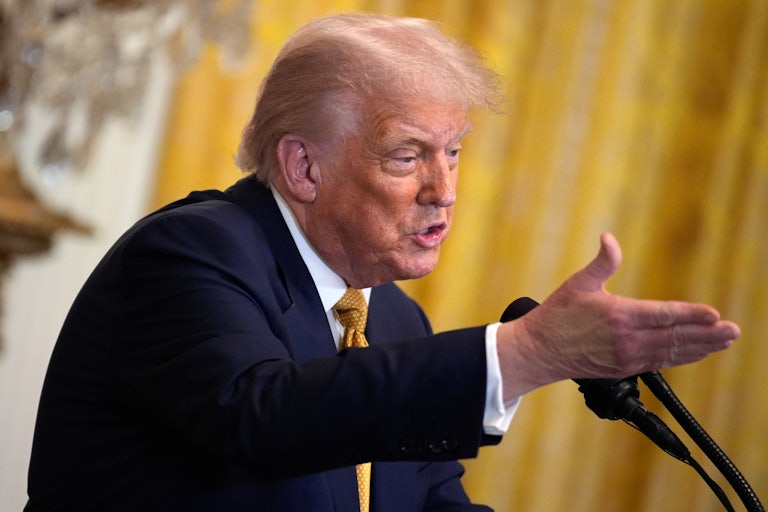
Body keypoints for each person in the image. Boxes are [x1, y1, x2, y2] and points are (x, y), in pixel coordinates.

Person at [25, 13, 739, 512]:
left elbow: (429, 502)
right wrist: (525, 353)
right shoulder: (193, 253)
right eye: (408, 156)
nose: (445, 191)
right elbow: (264, 417)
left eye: (453, 151)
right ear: (304, 167)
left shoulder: (392, 319)